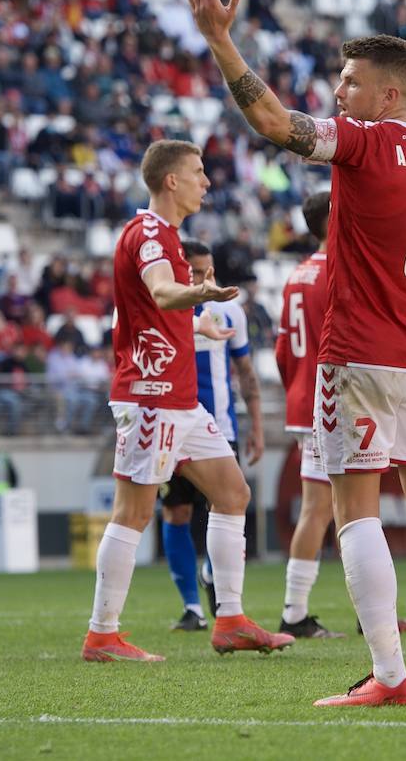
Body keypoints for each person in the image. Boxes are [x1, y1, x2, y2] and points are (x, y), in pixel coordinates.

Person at [187, 0, 406, 705]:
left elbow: (274, 124)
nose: (339, 91)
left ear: (389, 95)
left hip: (359, 357)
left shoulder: (364, 144)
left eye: (349, 80)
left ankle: (391, 676)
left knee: (356, 511)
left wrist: (221, 41)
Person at [80, 140, 293, 663]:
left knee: (234, 492)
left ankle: (231, 619)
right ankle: (102, 635)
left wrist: (195, 323)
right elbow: (160, 292)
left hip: (179, 397)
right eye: (198, 173)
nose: (207, 181)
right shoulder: (151, 232)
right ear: (170, 180)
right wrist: (204, 296)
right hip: (151, 395)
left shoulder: (163, 235)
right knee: (134, 512)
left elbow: (153, 308)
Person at [159, 239, 265, 632]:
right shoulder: (166, 309)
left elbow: (246, 373)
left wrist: (255, 426)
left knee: (225, 505)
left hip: (218, 427)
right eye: (196, 271)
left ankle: (216, 582)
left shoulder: (227, 310)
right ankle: (192, 607)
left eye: (209, 270)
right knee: (176, 512)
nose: (205, 278)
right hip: (171, 423)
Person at [272, 191, 345, 639]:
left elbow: (283, 350)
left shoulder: (297, 274)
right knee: (329, 509)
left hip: (303, 398)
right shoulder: (339, 269)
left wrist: (296, 390)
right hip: (332, 400)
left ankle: (301, 611)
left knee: (330, 508)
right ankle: (295, 613)